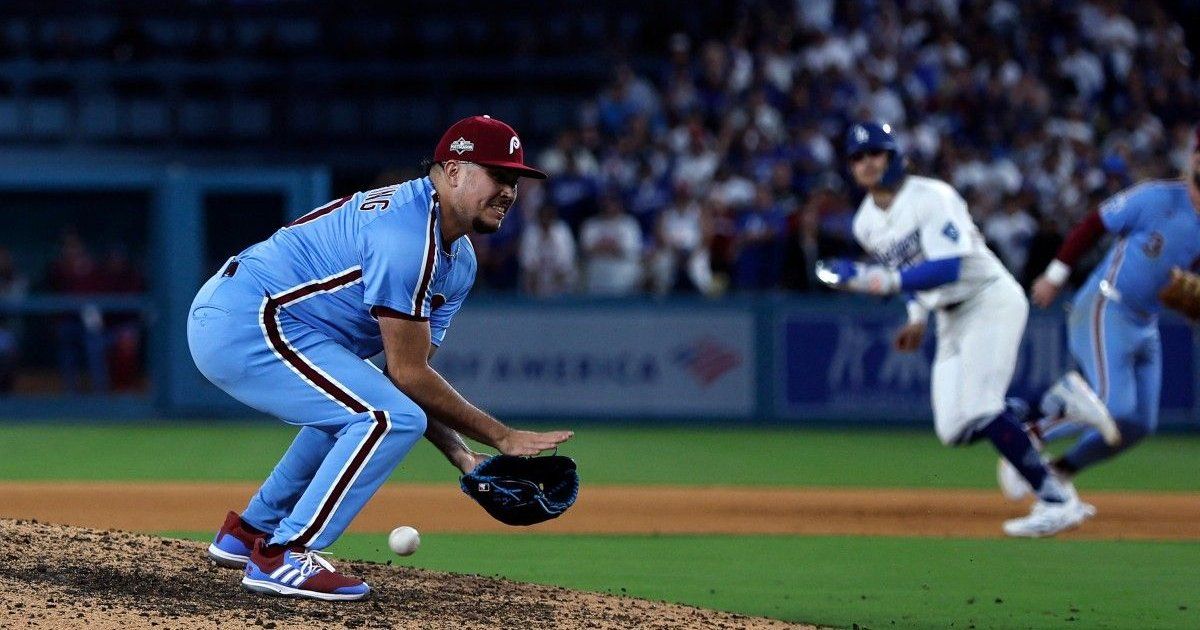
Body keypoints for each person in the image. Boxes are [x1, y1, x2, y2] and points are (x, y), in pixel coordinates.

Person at [189, 115, 573, 601]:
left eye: (515, 180)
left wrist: (464, 457)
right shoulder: (407, 236)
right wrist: (501, 436)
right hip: (244, 317)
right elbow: (409, 378)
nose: (509, 191)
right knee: (386, 418)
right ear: (453, 171)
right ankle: (286, 553)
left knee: (367, 409)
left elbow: (402, 376)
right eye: (498, 176)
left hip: (270, 320)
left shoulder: (458, 261)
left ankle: (250, 533)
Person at [817, 121, 1112, 538]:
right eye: (857, 157)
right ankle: (1055, 404)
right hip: (948, 315)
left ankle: (1057, 500)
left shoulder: (932, 196)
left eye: (875, 153)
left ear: (894, 156)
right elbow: (908, 271)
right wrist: (916, 316)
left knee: (981, 407)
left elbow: (948, 267)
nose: (867, 163)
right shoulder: (865, 222)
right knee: (954, 428)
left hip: (988, 298)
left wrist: (883, 282)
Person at [998, 125, 1200, 502]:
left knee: (1138, 424)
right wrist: (1055, 276)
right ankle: (1028, 437)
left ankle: (1060, 471)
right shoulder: (1157, 197)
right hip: (1107, 304)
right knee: (1114, 405)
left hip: (1145, 322)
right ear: (1192, 161)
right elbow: (1094, 224)